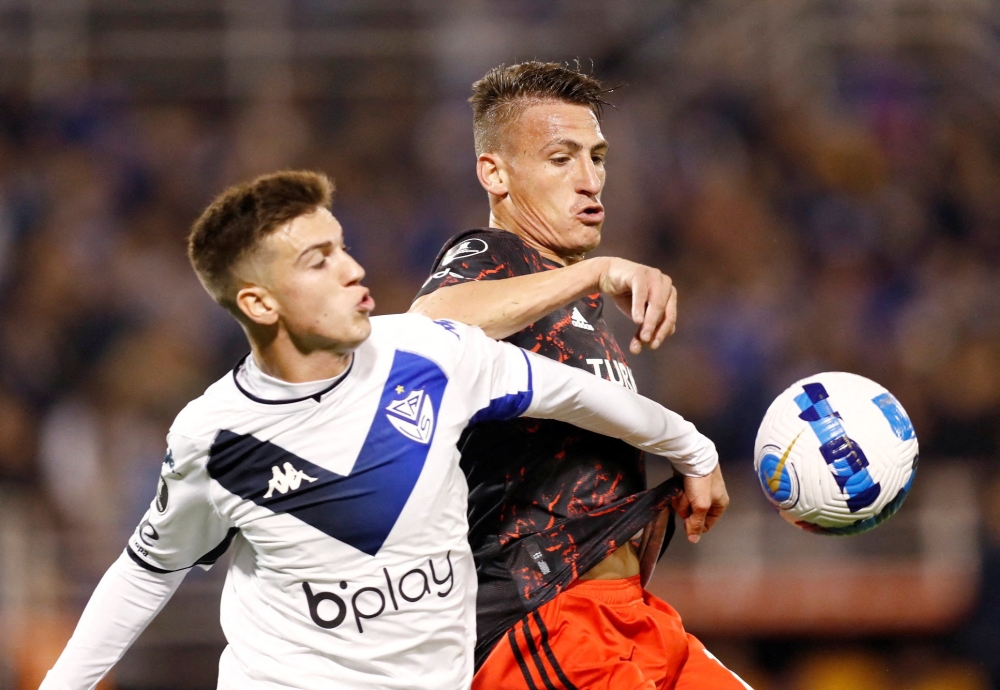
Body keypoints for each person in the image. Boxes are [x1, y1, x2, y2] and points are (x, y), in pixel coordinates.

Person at [41, 170, 720, 690]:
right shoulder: (215, 439)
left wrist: (691, 450)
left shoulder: (429, 354)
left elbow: (578, 395)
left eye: (342, 247)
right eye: (318, 261)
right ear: (258, 302)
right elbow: (145, 574)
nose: (353, 270)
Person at [410, 62, 752, 688]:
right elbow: (429, 327)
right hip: (545, 618)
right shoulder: (490, 256)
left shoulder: (570, 307)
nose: (590, 180)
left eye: (596, 157)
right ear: (496, 173)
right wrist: (596, 272)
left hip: (631, 612)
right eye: (560, 159)